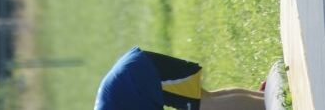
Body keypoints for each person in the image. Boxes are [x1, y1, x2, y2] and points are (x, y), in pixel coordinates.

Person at [95, 46, 265, 110]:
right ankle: (266, 98)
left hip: (141, 77)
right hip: (136, 69)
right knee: (205, 98)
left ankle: (270, 104)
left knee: (204, 105)